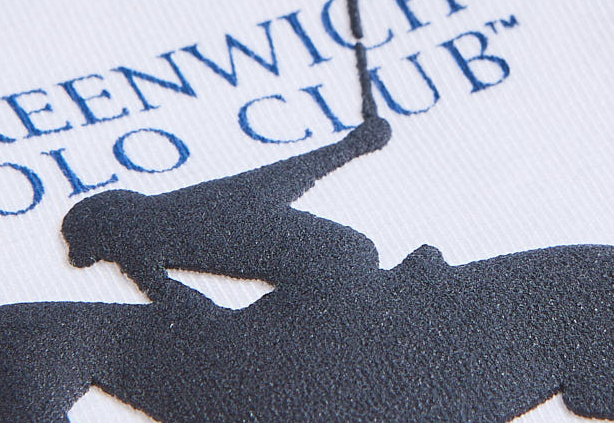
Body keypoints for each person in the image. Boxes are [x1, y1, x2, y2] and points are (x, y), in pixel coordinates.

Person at [61, 115, 392, 303]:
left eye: (103, 249)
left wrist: (354, 145)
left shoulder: (141, 242)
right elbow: (290, 173)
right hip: (341, 260)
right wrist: (353, 145)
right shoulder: (194, 204)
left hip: (328, 274)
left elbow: (173, 298)